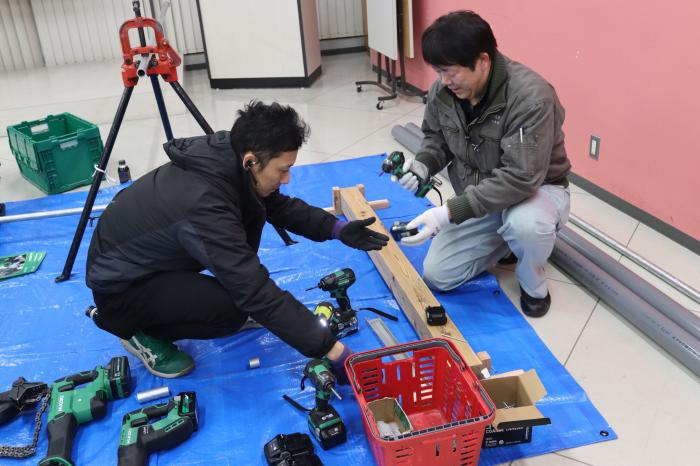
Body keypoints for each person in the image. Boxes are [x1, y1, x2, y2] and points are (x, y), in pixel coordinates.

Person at [86, 101, 388, 378]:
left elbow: (277, 206)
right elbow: (253, 291)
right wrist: (333, 351)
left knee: (241, 287)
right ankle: (137, 332)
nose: (286, 179)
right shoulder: (204, 203)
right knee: (231, 310)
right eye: (283, 170)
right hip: (121, 288)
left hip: (148, 260)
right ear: (251, 161)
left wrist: (336, 229)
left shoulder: (231, 157)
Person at [395, 11, 571, 317]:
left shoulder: (530, 98)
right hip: (483, 197)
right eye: (438, 71)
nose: (444, 81)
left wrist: (449, 212)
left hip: (536, 191)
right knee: (438, 275)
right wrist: (424, 163)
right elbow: (436, 137)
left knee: (526, 226)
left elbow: (520, 178)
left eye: (451, 72)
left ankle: (533, 284)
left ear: (483, 61)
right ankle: (505, 242)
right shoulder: (444, 91)